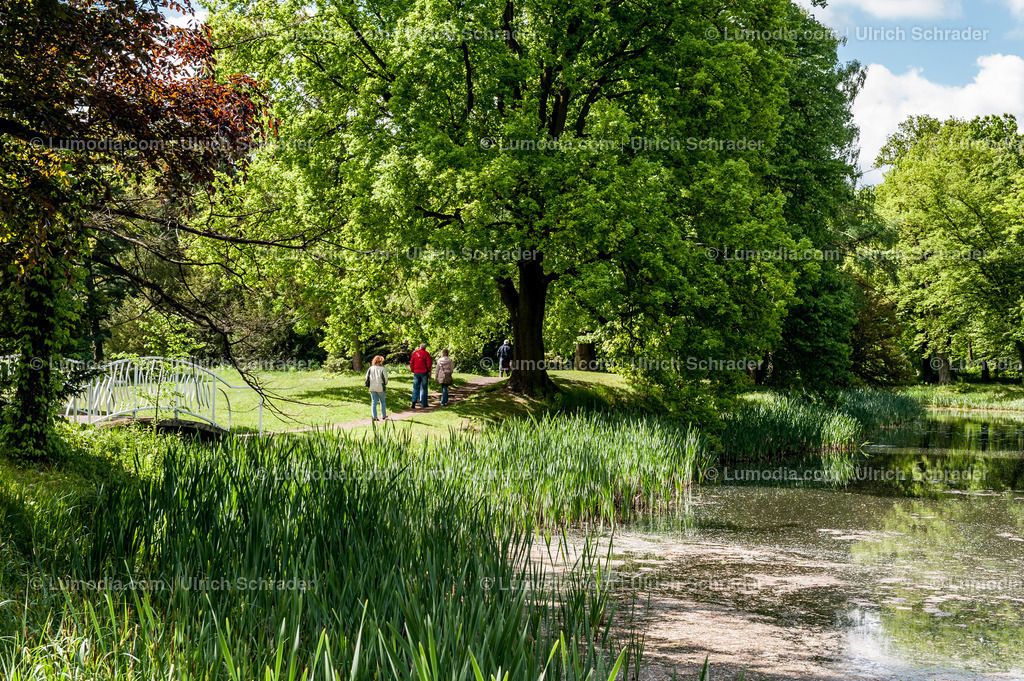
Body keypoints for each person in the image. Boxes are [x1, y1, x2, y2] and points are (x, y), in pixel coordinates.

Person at [365, 355, 388, 422]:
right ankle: (383, 416)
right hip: (380, 387)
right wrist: (385, 384)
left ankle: (374, 416)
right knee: (382, 401)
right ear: (380, 362)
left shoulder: (370, 368)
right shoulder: (382, 369)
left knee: (374, 402)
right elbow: (386, 379)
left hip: (372, 387)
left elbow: (366, 377)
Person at [409, 343, 432, 408]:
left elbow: (411, 362)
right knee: (424, 388)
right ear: (425, 348)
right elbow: (429, 363)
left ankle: (413, 402)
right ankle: (424, 403)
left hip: (416, 372)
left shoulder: (415, 353)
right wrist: (429, 370)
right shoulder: (426, 354)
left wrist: (412, 369)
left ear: (419, 347)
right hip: (424, 372)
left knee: (415, 387)